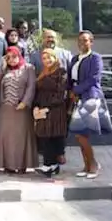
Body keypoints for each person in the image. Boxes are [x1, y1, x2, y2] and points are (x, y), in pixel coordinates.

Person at [68, 30, 112, 180]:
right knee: (80, 134)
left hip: (90, 97)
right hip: (76, 99)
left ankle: (93, 165)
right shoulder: (74, 59)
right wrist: (70, 91)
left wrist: (76, 90)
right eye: (80, 40)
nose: (82, 43)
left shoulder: (96, 58)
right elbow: (70, 78)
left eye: (86, 40)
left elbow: (94, 79)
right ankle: (86, 166)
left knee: (82, 134)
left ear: (91, 42)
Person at [0, 47, 38, 174]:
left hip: (21, 109)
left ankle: (22, 164)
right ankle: (8, 165)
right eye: (8, 57)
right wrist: (1, 68)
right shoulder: (5, 70)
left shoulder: (28, 68)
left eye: (14, 56)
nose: (11, 60)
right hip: (6, 109)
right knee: (7, 138)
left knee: (21, 137)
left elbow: (31, 86)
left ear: (19, 56)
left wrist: (25, 102)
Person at [33, 48, 69, 177]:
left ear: (55, 58)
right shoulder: (42, 73)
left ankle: (49, 165)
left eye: (49, 57)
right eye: (44, 58)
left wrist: (47, 107)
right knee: (44, 136)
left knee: (52, 137)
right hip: (42, 110)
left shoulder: (61, 72)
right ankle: (51, 165)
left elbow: (61, 93)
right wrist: (36, 106)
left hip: (55, 110)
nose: (47, 60)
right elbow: (38, 92)